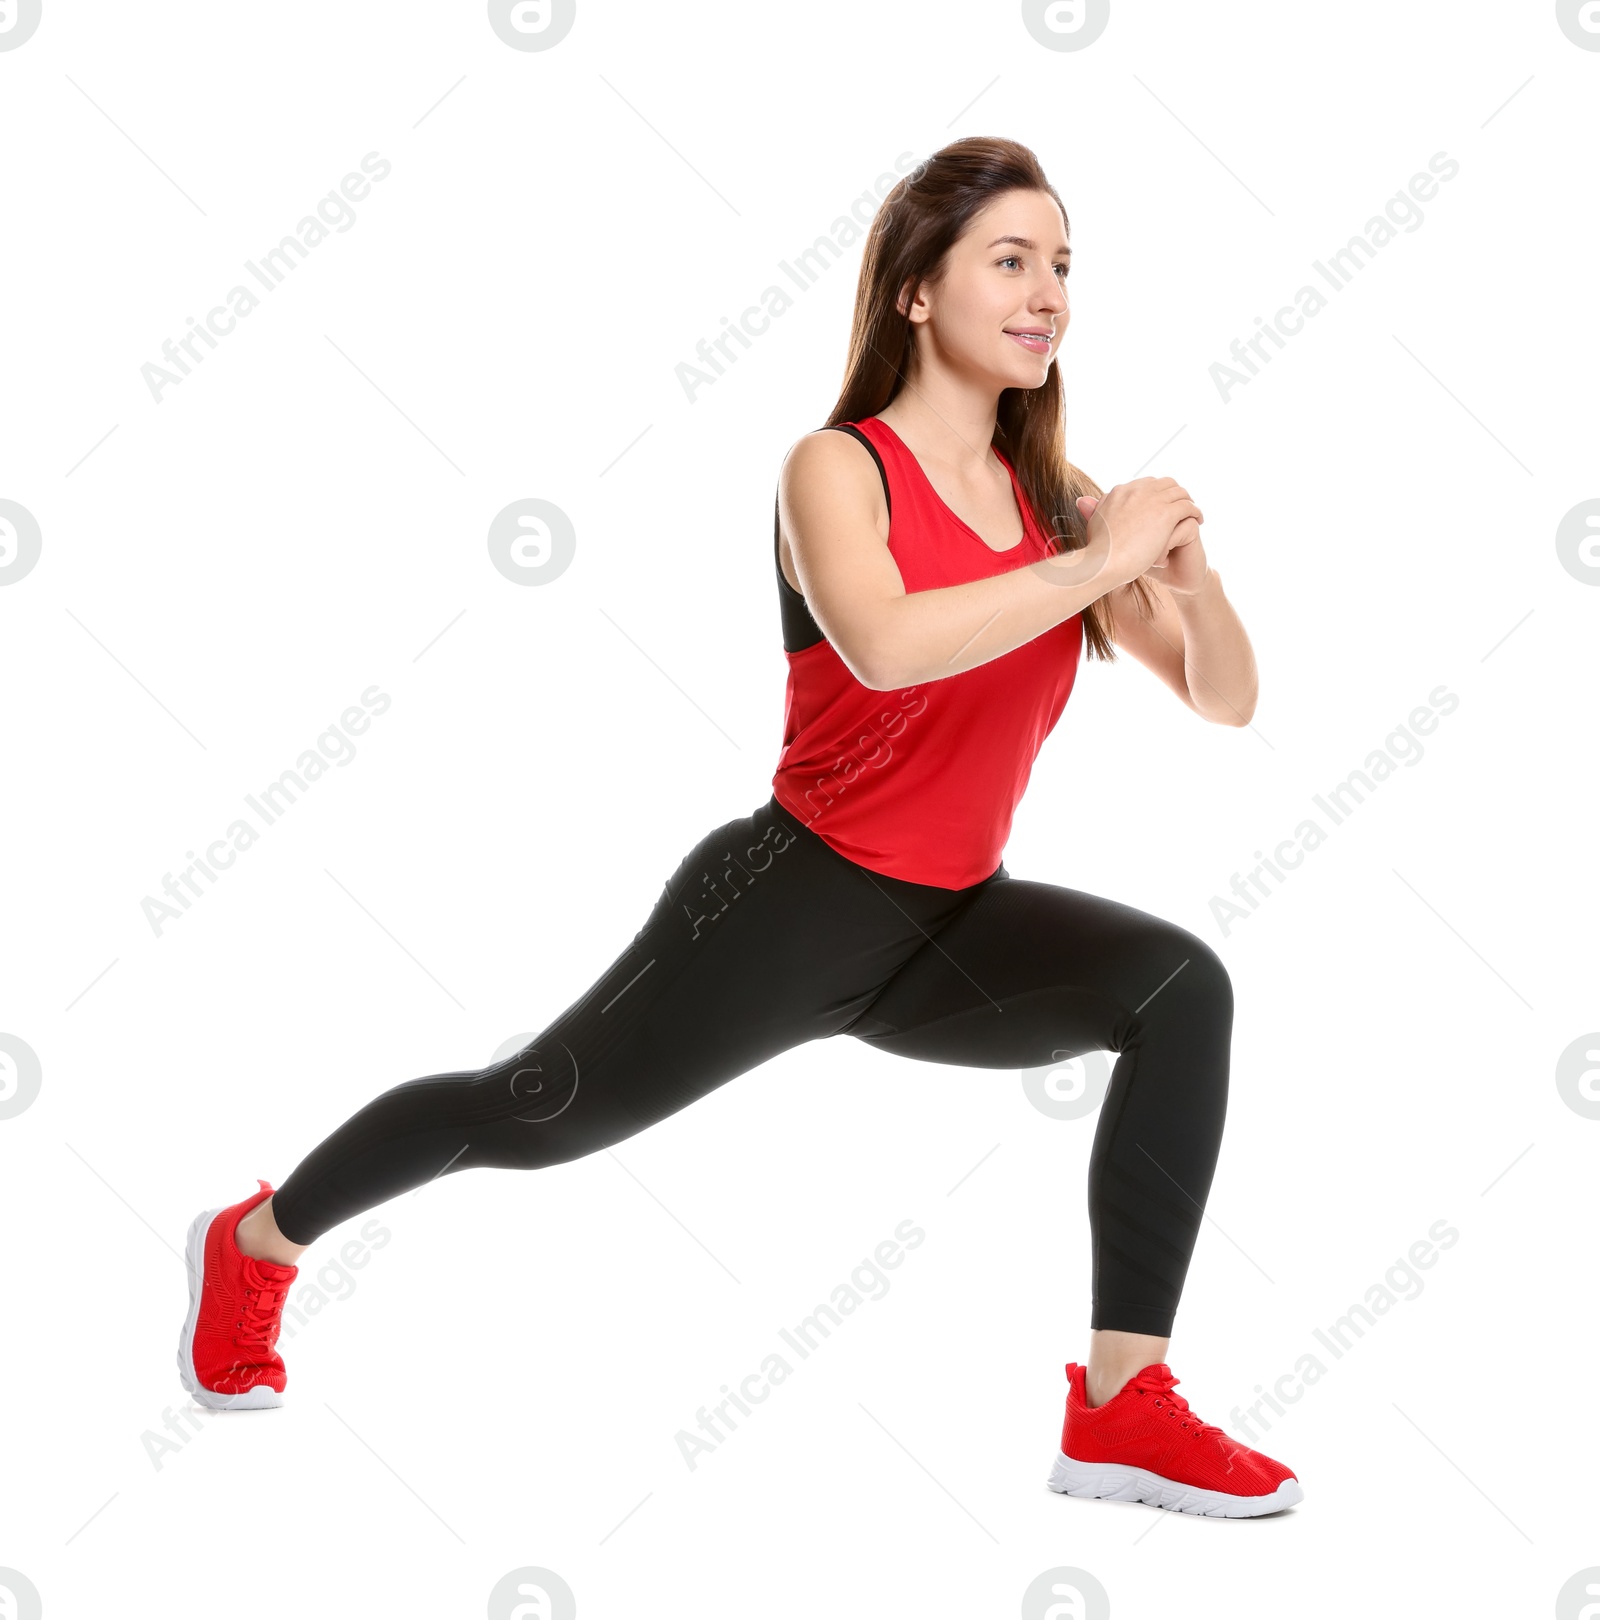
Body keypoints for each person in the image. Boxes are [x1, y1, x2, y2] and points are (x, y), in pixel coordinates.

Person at [176, 135, 1300, 1518]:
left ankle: (1123, 1408)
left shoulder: (1059, 497)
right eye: (1010, 260)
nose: (1047, 292)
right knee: (529, 1117)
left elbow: (1227, 699)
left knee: (1184, 987)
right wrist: (1095, 564)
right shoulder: (838, 468)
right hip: (785, 901)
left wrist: (1191, 573)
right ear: (913, 293)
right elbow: (887, 647)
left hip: (953, 920)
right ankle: (260, 1241)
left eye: (1062, 266)